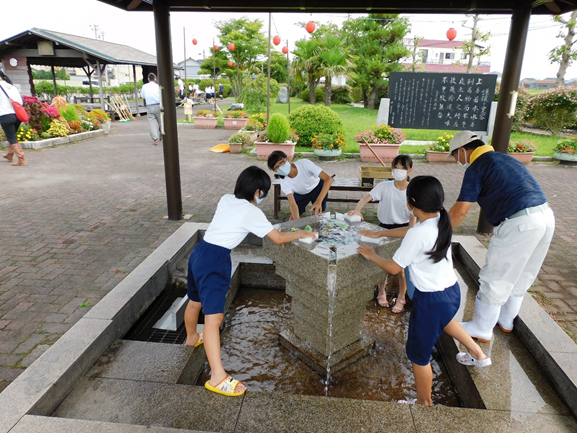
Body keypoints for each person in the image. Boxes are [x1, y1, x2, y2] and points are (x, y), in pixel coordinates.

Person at [357, 175, 491, 406]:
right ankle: (478, 354)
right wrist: (380, 233)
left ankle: (423, 403)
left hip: (431, 301)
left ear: (411, 203)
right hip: (451, 292)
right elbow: (412, 234)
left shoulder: (419, 232)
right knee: (446, 322)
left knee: (418, 356)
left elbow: (394, 267)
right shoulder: (440, 218)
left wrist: (372, 255)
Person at [184, 166, 317, 397]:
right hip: (216, 260)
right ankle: (217, 378)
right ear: (258, 191)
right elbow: (277, 237)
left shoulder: (226, 199)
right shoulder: (251, 212)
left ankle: (192, 338)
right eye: (263, 191)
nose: (263, 196)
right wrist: (302, 233)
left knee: (195, 301)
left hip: (200, 252)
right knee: (214, 319)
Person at [447, 131, 555, 342]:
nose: (455, 161)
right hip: (545, 217)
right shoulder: (504, 158)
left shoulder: (477, 167)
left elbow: (460, 211)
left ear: (462, 150)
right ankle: (506, 321)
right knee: (522, 274)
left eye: (453, 156)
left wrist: (438, 235)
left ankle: (481, 327)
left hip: (519, 224)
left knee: (495, 277)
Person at [349, 155, 417, 313]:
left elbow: (412, 224)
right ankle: (381, 291)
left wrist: (409, 232)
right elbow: (365, 199)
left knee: (401, 267)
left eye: (403, 168)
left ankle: (401, 296)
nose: (398, 171)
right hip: (382, 228)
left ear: (410, 170)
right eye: (395, 167)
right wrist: (358, 210)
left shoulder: (412, 191)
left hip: (403, 231)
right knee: (382, 263)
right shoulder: (384, 187)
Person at [267, 150, 333, 220]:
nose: (280, 167)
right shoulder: (284, 181)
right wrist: (297, 224)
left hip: (317, 187)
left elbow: (328, 179)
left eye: (281, 162)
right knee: (292, 219)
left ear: (288, 159)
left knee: (320, 214)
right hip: (300, 193)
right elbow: (292, 204)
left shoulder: (304, 164)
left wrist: (318, 201)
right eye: (276, 167)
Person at [0, 70, 26, 166]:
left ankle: (22, 159)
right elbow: (20, 102)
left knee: (12, 138)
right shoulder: (12, 87)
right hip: (17, 115)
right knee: (12, 136)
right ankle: (9, 155)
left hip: (5, 115)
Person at [140, 73, 161, 146]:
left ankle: (155, 139)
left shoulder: (144, 86)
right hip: (158, 105)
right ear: (155, 79)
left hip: (149, 106)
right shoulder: (158, 86)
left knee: (152, 123)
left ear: (148, 79)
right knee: (161, 121)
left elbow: (142, 97)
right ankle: (162, 135)